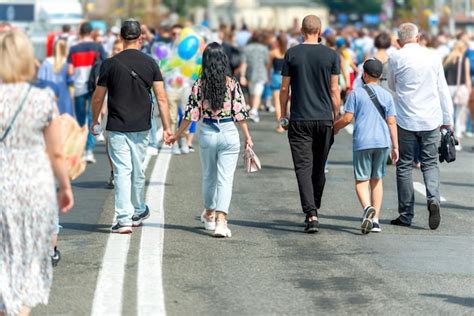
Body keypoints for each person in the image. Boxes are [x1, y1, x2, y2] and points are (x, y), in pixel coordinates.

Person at [0, 30, 74, 316]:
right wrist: (65, 186)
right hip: (33, 186)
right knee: (29, 256)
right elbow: (56, 152)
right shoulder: (43, 98)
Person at [91, 19, 172, 234]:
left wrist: (95, 120)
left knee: (122, 171)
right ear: (141, 37)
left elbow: (98, 98)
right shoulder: (151, 63)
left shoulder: (109, 64)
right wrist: (167, 127)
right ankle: (137, 210)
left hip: (117, 125)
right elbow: (162, 97)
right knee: (138, 169)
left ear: (120, 37)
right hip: (143, 125)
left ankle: (124, 218)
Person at [170, 42, 252, 238]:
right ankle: (221, 221)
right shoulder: (231, 83)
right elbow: (239, 113)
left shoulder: (199, 84)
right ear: (224, 61)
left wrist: (176, 135)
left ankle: (208, 213)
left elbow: (191, 114)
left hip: (208, 131)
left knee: (209, 176)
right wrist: (248, 137)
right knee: (225, 179)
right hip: (228, 131)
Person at [388, 23, 453, 229]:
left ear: (399, 41)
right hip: (431, 119)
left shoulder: (396, 57)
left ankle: (406, 214)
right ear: (419, 37)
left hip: (406, 119)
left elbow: (391, 85)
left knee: (405, 165)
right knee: (430, 163)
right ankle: (433, 198)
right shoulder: (433, 57)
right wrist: (447, 120)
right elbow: (442, 89)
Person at [280, 15, 341, 233]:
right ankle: (315, 203)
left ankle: (311, 212)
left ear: (301, 30)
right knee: (319, 166)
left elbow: (285, 88)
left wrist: (282, 114)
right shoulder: (332, 55)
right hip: (324, 117)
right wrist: (337, 115)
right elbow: (335, 90)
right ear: (320, 30)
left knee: (303, 168)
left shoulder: (292, 54)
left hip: (299, 117)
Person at [334, 58, 398, 234]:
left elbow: (347, 118)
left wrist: (334, 129)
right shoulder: (387, 95)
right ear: (380, 76)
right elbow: (392, 122)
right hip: (382, 142)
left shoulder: (356, 93)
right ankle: (376, 221)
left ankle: (367, 208)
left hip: (363, 141)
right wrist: (396, 147)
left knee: (361, 180)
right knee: (377, 180)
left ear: (365, 74)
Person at [68, 22, 107, 164]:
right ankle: (89, 150)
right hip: (94, 87)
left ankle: (80, 149)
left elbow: (70, 70)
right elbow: (105, 66)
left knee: (80, 120)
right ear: (91, 33)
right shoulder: (98, 48)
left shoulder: (73, 49)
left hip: (79, 86)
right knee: (92, 118)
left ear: (80, 33)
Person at [443, 40, 471, 150]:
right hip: (460, 89)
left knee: (449, 115)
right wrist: (469, 90)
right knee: (459, 116)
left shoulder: (447, 58)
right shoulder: (464, 59)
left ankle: (447, 139)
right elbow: (467, 77)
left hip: (448, 88)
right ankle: (457, 140)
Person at [38, 39, 74, 116]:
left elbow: (41, 80)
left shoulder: (46, 62)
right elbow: (71, 80)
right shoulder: (68, 63)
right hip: (64, 97)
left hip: (49, 96)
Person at [240, 32, 269, 123]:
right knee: (257, 93)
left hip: (250, 73)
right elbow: (267, 62)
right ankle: (254, 110)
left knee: (252, 93)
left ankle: (253, 110)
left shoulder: (246, 48)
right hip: (261, 73)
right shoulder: (264, 49)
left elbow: (243, 63)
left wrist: (242, 76)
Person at [269, 32, 288, 133]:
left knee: (277, 102)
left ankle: (280, 125)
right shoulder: (289, 52)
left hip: (276, 76)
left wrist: (268, 78)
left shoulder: (273, 53)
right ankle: (286, 122)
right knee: (287, 102)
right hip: (287, 78)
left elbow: (268, 67)